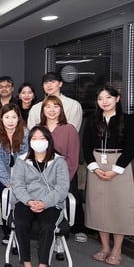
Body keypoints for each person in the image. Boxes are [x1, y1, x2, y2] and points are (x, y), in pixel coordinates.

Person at [83, 86, 134, 266]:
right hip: (97, 164)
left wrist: (116, 169)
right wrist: (94, 167)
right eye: (100, 99)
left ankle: (117, 249)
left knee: (118, 206)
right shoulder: (92, 120)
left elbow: (132, 147)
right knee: (99, 207)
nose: (104, 101)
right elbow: (86, 146)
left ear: (117, 98)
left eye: (108, 97)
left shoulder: (127, 120)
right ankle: (105, 246)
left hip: (120, 164)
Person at [11, 126, 69, 267]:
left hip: (50, 204)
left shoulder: (59, 161)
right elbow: (17, 185)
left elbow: (62, 189)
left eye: (42, 138)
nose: (38, 142)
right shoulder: (22, 161)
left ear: (49, 141)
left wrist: (44, 202)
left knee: (48, 226)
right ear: (29, 142)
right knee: (21, 223)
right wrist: (29, 201)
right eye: (34, 138)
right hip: (26, 202)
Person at [39, 96, 84, 241]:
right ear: (43, 110)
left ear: (61, 109)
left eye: (55, 106)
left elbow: (73, 158)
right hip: (41, 178)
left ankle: (60, 236)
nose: (51, 110)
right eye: (48, 106)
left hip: (64, 178)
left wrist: (62, 181)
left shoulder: (69, 129)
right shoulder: (38, 129)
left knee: (60, 208)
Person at [0, 103, 29, 242]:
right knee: (5, 199)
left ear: (18, 118)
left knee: (21, 201)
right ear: (1, 118)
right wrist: (6, 181)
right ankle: (7, 230)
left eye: (14, 117)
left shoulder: (25, 133)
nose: (10, 121)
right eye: (7, 117)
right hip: (3, 173)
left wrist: (17, 181)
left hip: (22, 173)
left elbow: (25, 158)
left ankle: (20, 232)